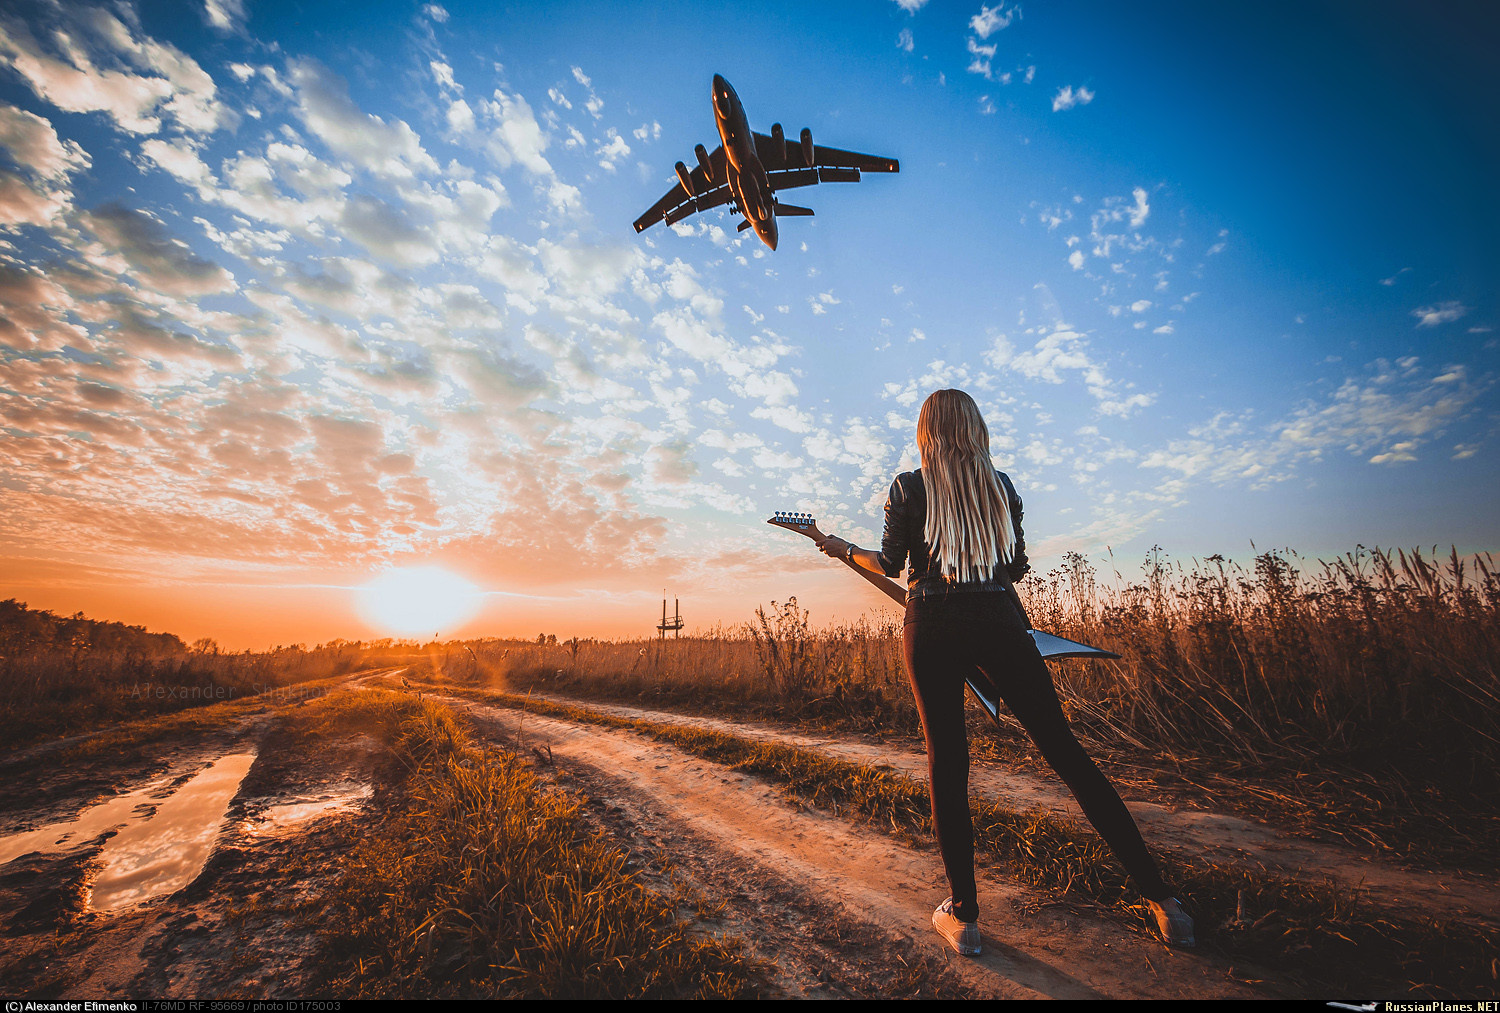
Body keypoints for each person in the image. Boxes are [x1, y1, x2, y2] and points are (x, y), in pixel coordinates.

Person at [814, 388, 1193, 956]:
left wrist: (843, 549)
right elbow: (1014, 566)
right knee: (1066, 753)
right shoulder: (1002, 486)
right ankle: (1165, 902)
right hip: (998, 617)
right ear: (976, 430)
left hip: (933, 621)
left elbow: (889, 563)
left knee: (949, 762)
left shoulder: (907, 487)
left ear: (926, 432)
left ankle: (964, 918)